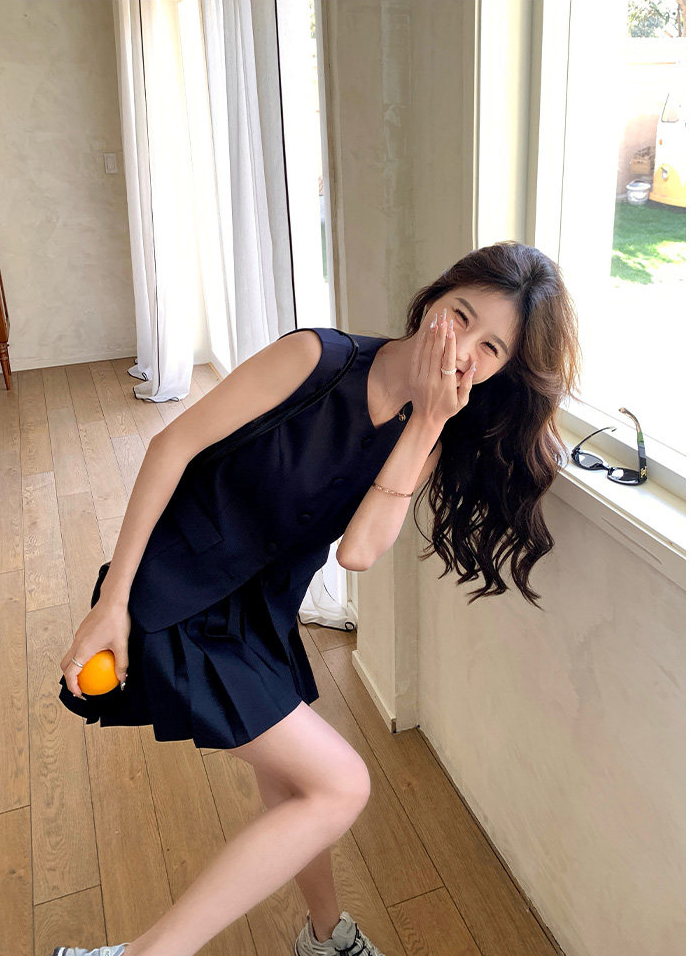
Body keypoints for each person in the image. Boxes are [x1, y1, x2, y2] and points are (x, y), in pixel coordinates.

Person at [52, 241, 580, 956]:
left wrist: (428, 422)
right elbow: (169, 448)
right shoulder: (316, 358)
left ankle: (325, 937)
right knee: (340, 785)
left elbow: (357, 552)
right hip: (177, 595)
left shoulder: (427, 436)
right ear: (432, 299)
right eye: (461, 316)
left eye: (491, 349)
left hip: (257, 618)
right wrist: (111, 603)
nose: (462, 351)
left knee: (298, 788)